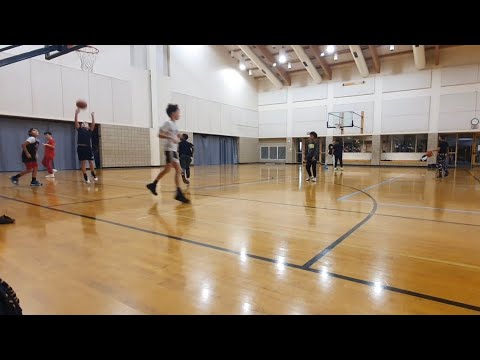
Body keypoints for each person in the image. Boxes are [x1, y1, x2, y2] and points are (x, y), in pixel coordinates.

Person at [146, 104, 190, 204]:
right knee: (175, 169)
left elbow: (176, 135)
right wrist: (170, 137)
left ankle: (153, 185)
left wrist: (179, 136)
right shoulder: (168, 123)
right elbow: (159, 134)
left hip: (173, 150)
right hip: (169, 149)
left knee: (169, 169)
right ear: (173, 113)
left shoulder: (175, 125)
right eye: (178, 112)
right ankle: (178, 193)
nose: (179, 114)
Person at [75, 108, 98, 184]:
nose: (84, 123)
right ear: (81, 126)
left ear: (88, 126)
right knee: (83, 162)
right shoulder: (79, 130)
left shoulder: (89, 131)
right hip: (80, 147)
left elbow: (93, 124)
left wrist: (93, 116)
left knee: (91, 161)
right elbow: (76, 122)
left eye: (86, 123)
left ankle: (93, 173)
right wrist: (76, 113)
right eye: (83, 123)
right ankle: (85, 175)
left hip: (88, 147)